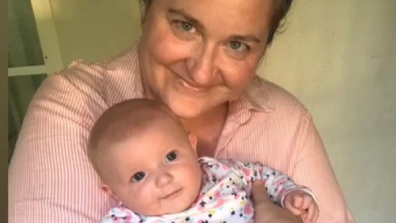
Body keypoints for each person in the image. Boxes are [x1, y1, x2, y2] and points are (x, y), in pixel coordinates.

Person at [8, 0, 355, 222]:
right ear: (146, 9)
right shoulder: (72, 103)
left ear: (263, 48)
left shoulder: (286, 120)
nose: (202, 72)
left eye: (236, 45)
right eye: (185, 26)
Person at [88, 99, 319, 223]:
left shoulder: (219, 172)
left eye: (170, 157)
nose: (164, 179)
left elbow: (261, 176)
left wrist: (289, 193)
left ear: (191, 144)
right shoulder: (125, 219)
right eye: (138, 176)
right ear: (114, 192)